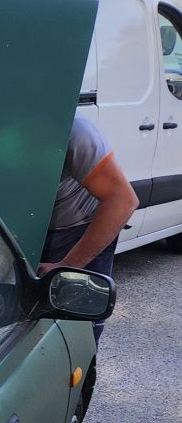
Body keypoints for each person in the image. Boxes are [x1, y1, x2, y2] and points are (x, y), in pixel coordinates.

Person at [39, 110, 139, 323]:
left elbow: (122, 200)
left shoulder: (76, 130)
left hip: (77, 231)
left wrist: (68, 264)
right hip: (32, 230)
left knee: (76, 322)